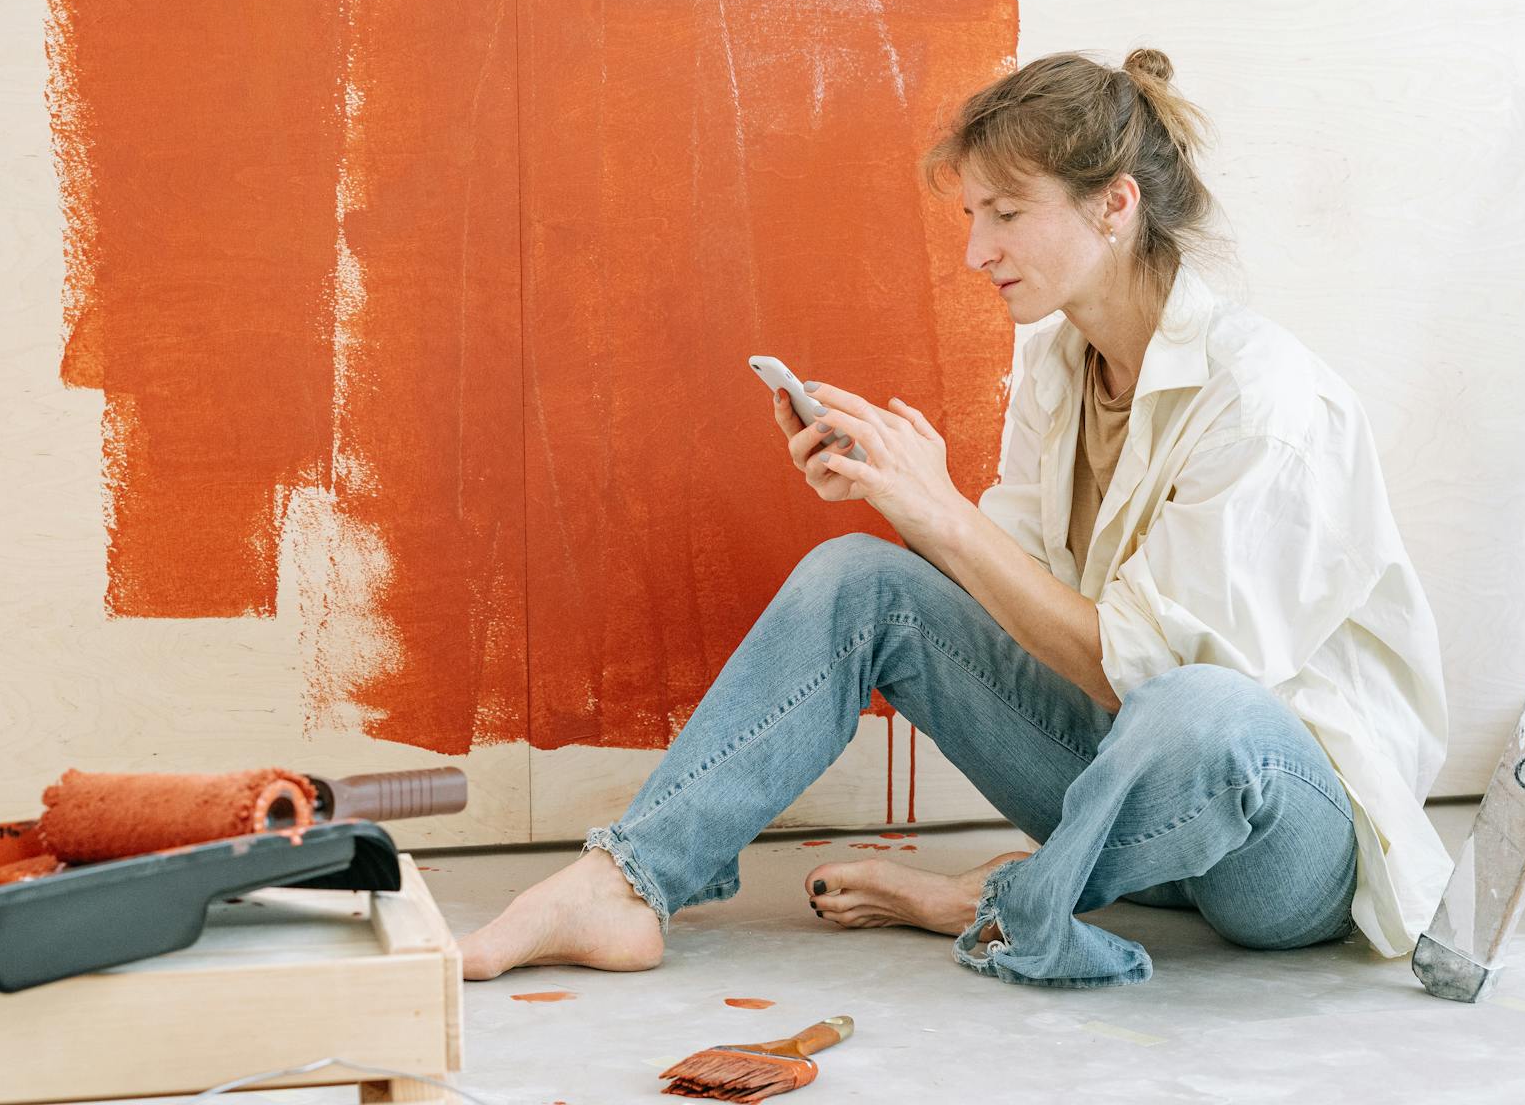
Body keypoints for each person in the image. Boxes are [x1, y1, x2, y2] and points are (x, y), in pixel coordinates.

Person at [458, 48, 1453, 988]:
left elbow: (1148, 678)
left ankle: (1001, 899)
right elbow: (1010, 610)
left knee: (1200, 706)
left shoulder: (1269, 403)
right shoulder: (1062, 365)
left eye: (1008, 213)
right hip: (1121, 786)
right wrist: (898, 500)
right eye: (975, 213)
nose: (978, 249)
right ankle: (625, 882)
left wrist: (942, 508)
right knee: (861, 577)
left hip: (1277, 843)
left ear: (1116, 206)